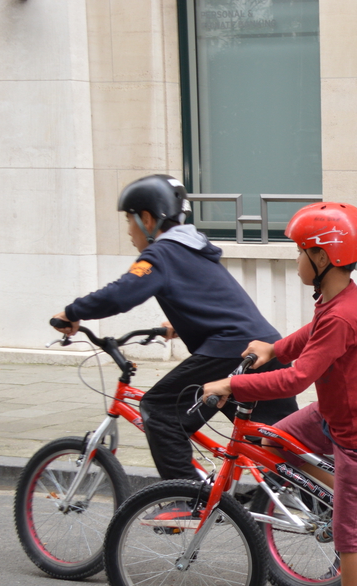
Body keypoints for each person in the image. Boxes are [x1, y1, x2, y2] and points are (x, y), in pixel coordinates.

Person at [202, 202, 357, 586]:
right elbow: (311, 335)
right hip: (331, 416)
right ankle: (352, 497)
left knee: (350, 538)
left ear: (324, 258)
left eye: (300, 252)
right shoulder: (336, 301)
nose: (295, 261)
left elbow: (296, 379)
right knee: (268, 443)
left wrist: (233, 384)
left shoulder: (343, 314)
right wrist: (273, 348)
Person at [51, 174, 297, 480]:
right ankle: (324, 507)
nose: (129, 231)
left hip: (231, 351)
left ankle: (185, 497)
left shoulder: (162, 253)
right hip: (265, 349)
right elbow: (210, 299)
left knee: (161, 412)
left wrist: (73, 312)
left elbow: (123, 291)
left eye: (129, 220)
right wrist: (182, 323)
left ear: (146, 218)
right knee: (276, 444)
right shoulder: (193, 249)